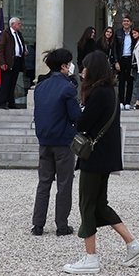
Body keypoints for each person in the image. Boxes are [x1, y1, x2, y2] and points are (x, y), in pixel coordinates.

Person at [63, 51, 139, 274]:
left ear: (93, 69)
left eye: (85, 67)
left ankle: (91, 258)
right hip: (105, 155)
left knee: (87, 204)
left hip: (94, 157)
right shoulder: (109, 91)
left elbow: (83, 123)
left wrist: (76, 109)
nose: (82, 71)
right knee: (100, 204)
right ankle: (133, 244)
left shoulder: (98, 93)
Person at [31, 48, 81, 237]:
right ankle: (61, 224)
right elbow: (75, 115)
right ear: (64, 66)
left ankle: (38, 224)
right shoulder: (67, 87)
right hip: (63, 141)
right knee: (64, 183)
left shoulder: (40, 87)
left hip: (44, 140)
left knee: (44, 183)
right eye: (69, 64)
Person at [0, 16, 27, 109]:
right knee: (6, 83)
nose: (20, 25)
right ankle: (2, 102)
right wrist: (2, 62)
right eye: (19, 23)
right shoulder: (5, 34)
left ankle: (11, 102)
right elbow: (0, 48)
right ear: (13, 24)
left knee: (13, 83)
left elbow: (19, 45)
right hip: (8, 61)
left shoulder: (19, 34)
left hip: (17, 60)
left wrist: (23, 51)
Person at [114, 15, 135, 109]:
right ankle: (121, 101)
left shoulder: (133, 33)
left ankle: (128, 102)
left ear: (130, 23)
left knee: (130, 81)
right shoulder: (118, 33)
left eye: (127, 21)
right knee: (121, 81)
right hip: (121, 59)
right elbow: (115, 48)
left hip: (131, 59)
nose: (126, 23)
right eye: (124, 21)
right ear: (122, 23)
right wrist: (116, 61)